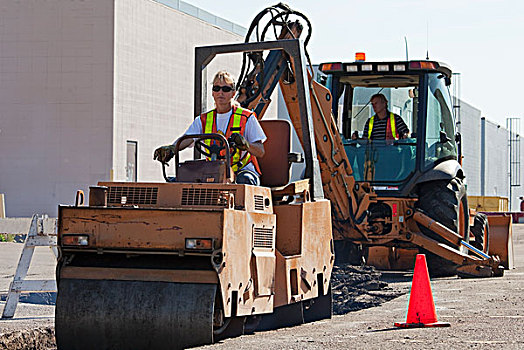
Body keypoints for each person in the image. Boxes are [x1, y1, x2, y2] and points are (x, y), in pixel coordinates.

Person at [154, 70, 266, 185]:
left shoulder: (247, 117)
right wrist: (172, 148)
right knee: (181, 180)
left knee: (244, 181)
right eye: (216, 89)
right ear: (212, 93)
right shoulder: (203, 120)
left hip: (242, 171)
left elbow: (260, 151)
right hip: (213, 171)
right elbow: (187, 139)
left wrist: (246, 145)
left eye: (225, 89)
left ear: (233, 93)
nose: (220, 93)